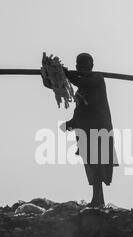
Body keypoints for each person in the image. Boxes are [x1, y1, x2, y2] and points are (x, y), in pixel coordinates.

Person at [43, 53, 117, 207]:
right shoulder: (80, 90)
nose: (81, 66)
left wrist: (65, 73)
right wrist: (48, 74)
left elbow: (80, 81)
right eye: (79, 64)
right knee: (92, 163)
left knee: (97, 164)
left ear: (92, 65)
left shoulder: (97, 78)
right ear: (76, 66)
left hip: (100, 128)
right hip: (85, 130)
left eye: (85, 63)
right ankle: (98, 199)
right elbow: (79, 111)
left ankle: (98, 199)